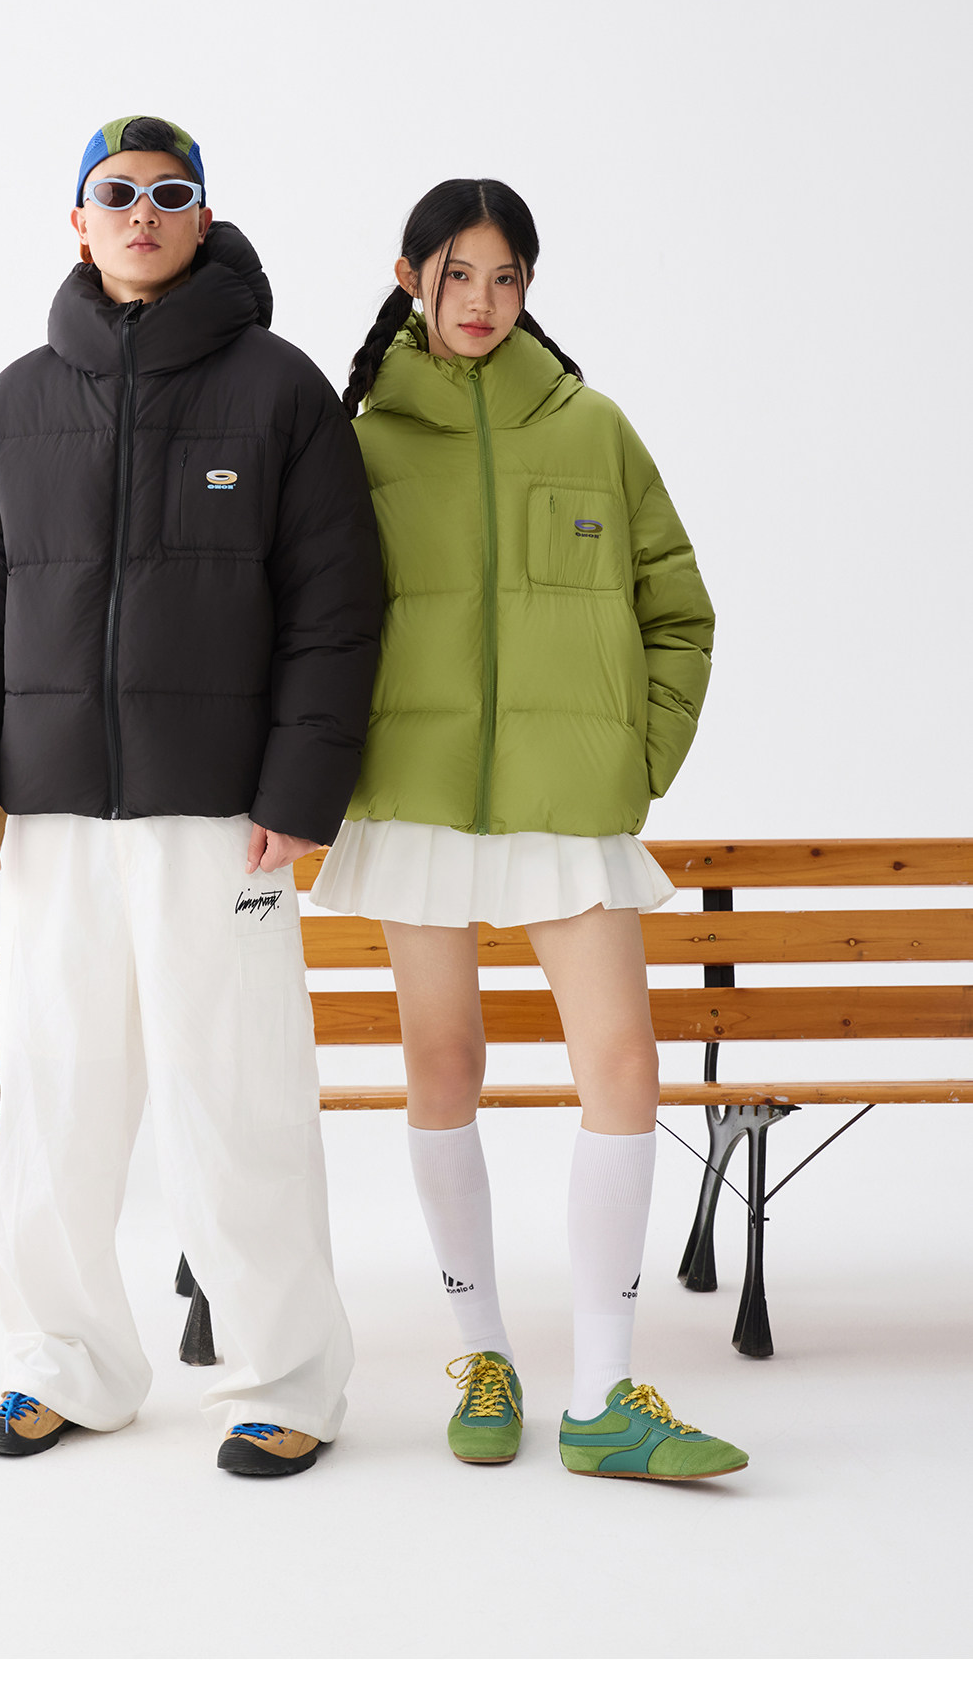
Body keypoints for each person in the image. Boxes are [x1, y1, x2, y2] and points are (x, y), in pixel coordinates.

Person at [0, 114, 383, 1476]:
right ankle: (63, 1364)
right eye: (116, 192)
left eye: (170, 193)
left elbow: (338, 609)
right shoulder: (17, 401)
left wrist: (300, 786)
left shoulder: (280, 390)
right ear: (78, 220)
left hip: (222, 814)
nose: (142, 211)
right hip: (52, 812)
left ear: (202, 218)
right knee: (56, 1091)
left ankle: (284, 1379)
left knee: (236, 1096)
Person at [311, 178, 748, 1480]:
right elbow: (313, 626)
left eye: (506, 277)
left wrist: (636, 759)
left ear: (530, 287)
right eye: (458, 275)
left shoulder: (593, 427)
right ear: (410, 279)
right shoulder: (361, 444)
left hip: (567, 802)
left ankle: (605, 1391)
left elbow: (679, 610)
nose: (483, 301)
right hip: (419, 795)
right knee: (443, 1063)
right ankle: (484, 1353)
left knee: (624, 1066)